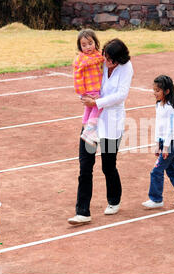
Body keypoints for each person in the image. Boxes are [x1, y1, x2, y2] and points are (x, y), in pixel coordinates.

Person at [68, 38, 134, 225]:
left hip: (112, 122)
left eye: (112, 60)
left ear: (120, 59)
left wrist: (96, 102)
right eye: (106, 57)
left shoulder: (126, 67)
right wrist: (86, 96)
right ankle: (82, 212)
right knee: (85, 166)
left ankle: (114, 200)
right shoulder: (100, 61)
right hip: (92, 121)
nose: (107, 62)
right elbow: (84, 74)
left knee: (108, 165)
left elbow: (121, 95)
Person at [142, 75, 174, 209]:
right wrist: (156, 144)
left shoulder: (171, 107)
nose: (155, 93)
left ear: (166, 91)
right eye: (154, 90)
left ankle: (156, 199)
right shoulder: (159, 105)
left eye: (157, 90)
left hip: (171, 143)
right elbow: (158, 126)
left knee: (156, 171)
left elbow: (170, 129)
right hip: (163, 142)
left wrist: (165, 147)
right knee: (172, 171)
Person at [73, 29, 105, 146]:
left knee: (88, 108)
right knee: (98, 106)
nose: (88, 47)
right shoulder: (81, 60)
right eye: (84, 45)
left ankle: (86, 127)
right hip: (89, 89)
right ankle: (90, 129)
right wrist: (82, 92)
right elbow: (77, 77)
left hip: (95, 87)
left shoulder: (99, 55)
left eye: (90, 43)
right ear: (80, 46)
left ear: (95, 42)